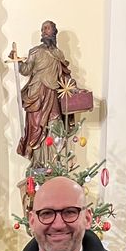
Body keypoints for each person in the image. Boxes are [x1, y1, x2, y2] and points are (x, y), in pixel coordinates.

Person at [13, 21, 75, 161]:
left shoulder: (58, 54)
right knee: (36, 129)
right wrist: (17, 61)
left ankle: (54, 163)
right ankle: (37, 164)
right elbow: (26, 70)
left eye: (47, 28)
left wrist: (74, 88)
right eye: (42, 29)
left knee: (55, 126)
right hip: (36, 95)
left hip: (52, 95)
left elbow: (64, 76)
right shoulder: (35, 52)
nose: (43, 31)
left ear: (54, 32)